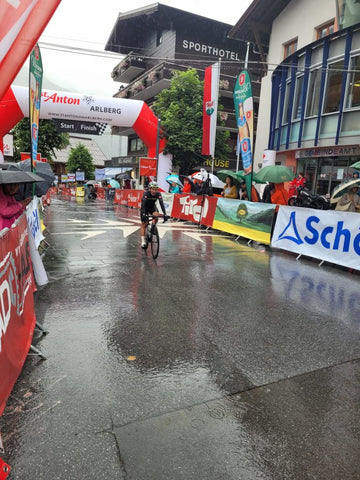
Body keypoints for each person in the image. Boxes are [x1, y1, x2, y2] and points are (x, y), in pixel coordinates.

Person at [140, 181, 168, 248]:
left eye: (156, 189)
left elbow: (161, 204)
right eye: (153, 189)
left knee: (156, 215)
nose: (154, 191)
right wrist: (144, 213)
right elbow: (143, 205)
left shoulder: (158, 194)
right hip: (145, 208)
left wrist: (165, 214)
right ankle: (143, 242)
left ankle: (152, 229)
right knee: (144, 224)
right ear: (149, 189)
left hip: (152, 207)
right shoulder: (146, 194)